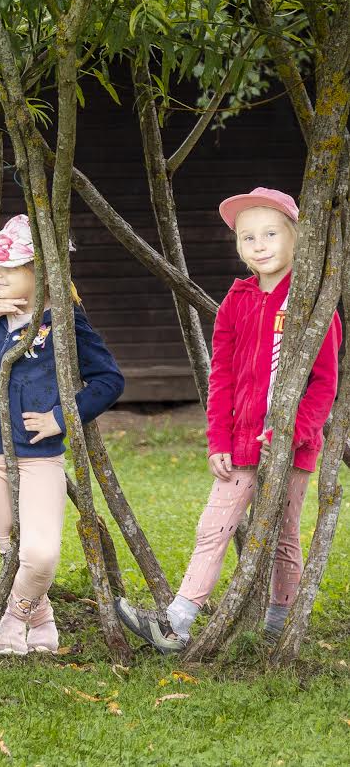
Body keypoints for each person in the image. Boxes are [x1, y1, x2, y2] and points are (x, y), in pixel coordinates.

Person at [117, 187, 341, 653]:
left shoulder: (312, 306)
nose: (258, 245)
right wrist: (218, 438)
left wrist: (292, 434)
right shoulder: (236, 301)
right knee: (213, 527)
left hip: (292, 447)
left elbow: (323, 385)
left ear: (297, 238)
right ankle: (178, 622)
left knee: (283, 536)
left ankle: (279, 626)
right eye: (247, 237)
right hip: (239, 444)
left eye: (270, 233)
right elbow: (220, 375)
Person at [0, 214, 123, 655]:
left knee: (41, 553)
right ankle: (44, 619)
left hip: (38, 457)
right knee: (10, 546)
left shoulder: (64, 322)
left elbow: (109, 380)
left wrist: (61, 417)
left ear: (41, 272)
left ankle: (14, 619)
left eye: (10, 266)